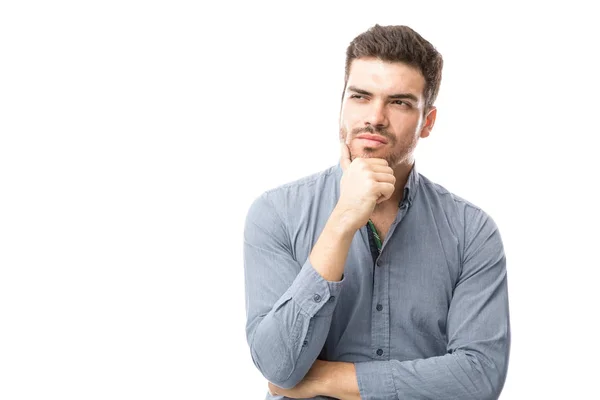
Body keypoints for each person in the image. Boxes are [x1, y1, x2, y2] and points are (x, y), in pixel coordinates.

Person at [243, 24, 510, 400]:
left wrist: (324, 381)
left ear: (428, 122)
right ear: (342, 104)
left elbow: (478, 378)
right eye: (361, 96)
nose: (376, 117)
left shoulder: (471, 231)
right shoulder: (275, 213)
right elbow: (278, 366)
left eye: (399, 102)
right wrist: (341, 221)